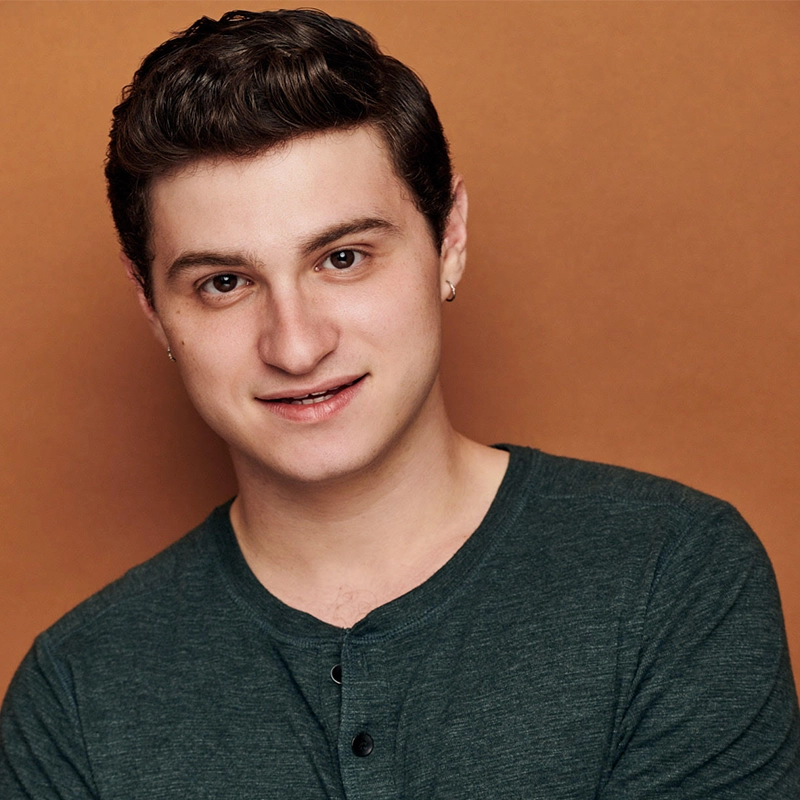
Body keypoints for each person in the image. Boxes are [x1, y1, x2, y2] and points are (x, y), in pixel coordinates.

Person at [1, 8, 798, 797]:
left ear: (447, 240)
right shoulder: (73, 696)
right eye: (225, 283)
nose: (296, 345)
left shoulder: (672, 577)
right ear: (152, 308)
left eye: (343, 258)